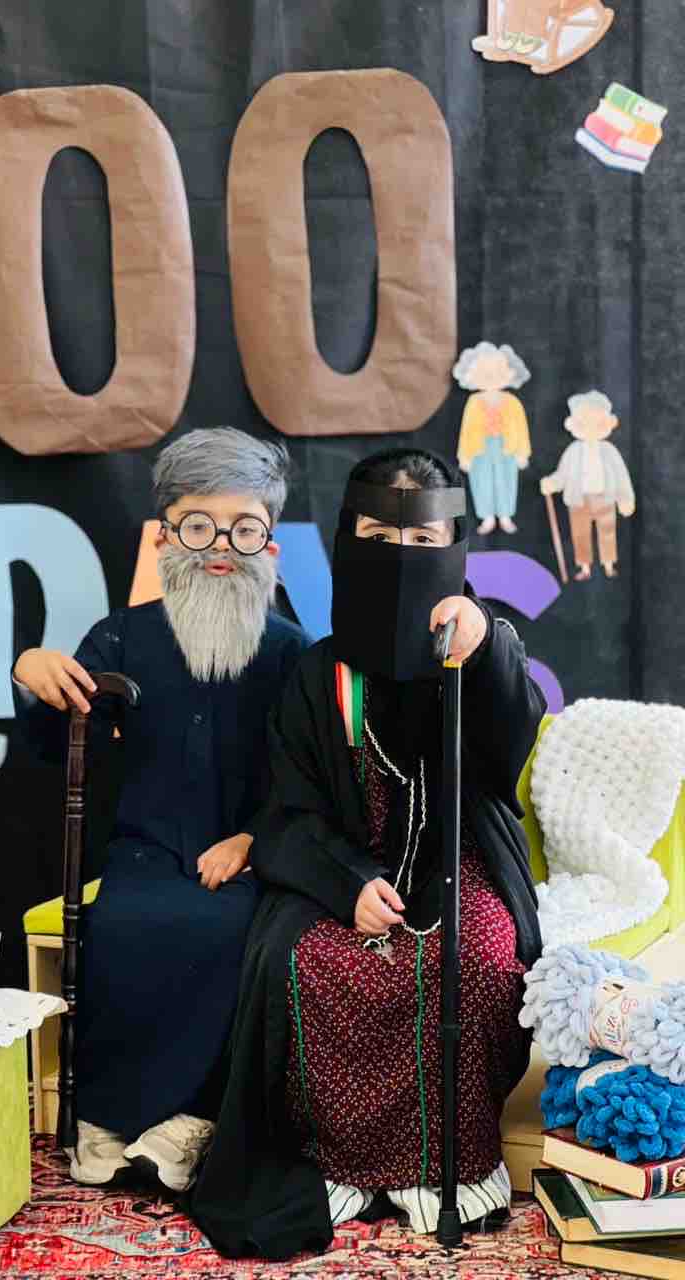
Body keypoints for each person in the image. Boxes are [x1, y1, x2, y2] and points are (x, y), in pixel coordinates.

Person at [190, 448, 545, 1259]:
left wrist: (484, 646)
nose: (401, 557)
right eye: (380, 538)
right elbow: (288, 812)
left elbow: (505, 756)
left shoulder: (481, 648)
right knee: (311, 964)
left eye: (423, 542)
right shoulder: (319, 675)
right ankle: (343, 1165)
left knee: (477, 955)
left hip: (461, 860)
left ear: (453, 547)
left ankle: (448, 1166)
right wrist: (346, 881)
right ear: (349, 542)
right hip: (340, 869)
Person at [13, 427, 308, 1194]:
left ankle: (191, 1123)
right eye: (199, 526)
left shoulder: (290, 652)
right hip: (144, 848)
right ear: (165, 536)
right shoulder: (121, 636)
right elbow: (57, 744)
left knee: (229, 930)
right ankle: (108, 1120)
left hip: (249, 858)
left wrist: (252, 839)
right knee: (126, 922)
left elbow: (311, 781)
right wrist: (32, 671)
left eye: (244, 529)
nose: (222, 547)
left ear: (271, 546)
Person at [540, 390, 635, 580]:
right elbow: (563, 474)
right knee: (580, 534)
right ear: (575, 425)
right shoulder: (573, 451)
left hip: (605, 498)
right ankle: (585, 567)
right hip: (579, 500)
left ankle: (608, 563)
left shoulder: (609, 451)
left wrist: (625, 499)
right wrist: (552, 483)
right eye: (585, 423)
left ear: (607, 424)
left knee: (607, 532)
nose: (591, 429)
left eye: (597, 423)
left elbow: (621, 476)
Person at [454, 341, 531, 536]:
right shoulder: (473, 402)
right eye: (485, 374)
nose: (491, 379)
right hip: (479, 448)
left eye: (496, 373)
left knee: (506, 479)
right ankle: (487, 516)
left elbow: (521, 428)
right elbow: (466, 430)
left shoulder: (513, 402)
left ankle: (505, 515)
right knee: (482, 480)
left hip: (507, 447)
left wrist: (522, 453)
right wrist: (465, 456)